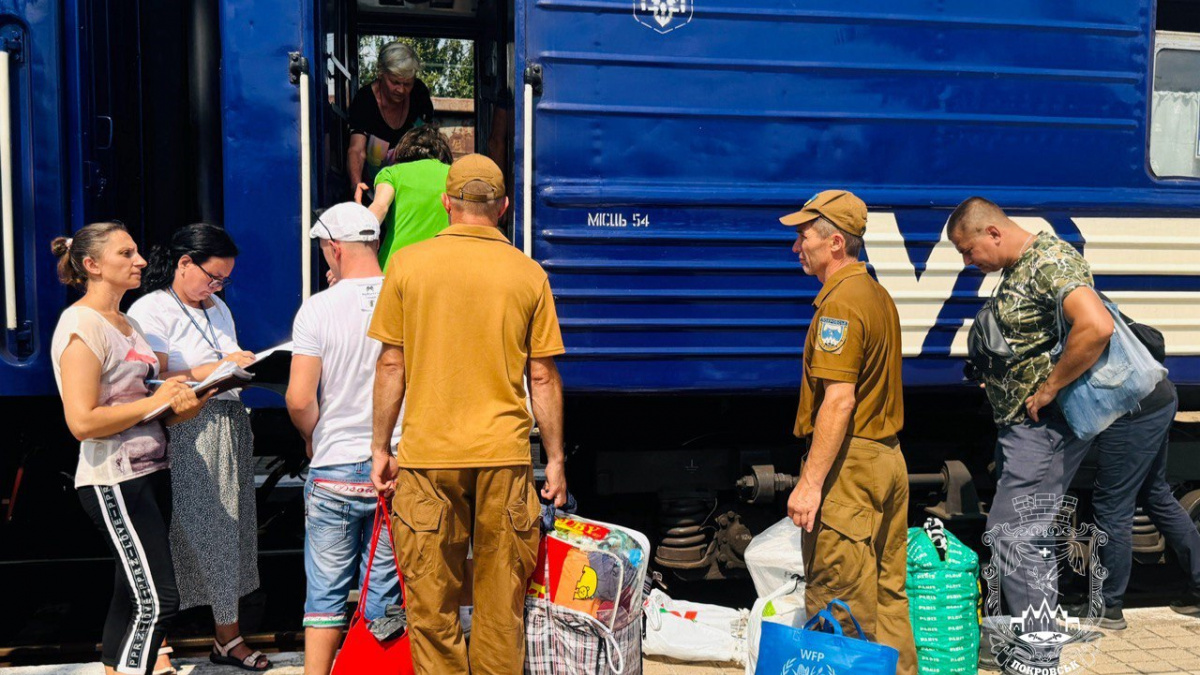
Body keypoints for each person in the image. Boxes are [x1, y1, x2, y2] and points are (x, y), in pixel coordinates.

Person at [368, 154, 568, 674]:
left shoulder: (407, 265)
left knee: (431, 608)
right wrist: (557, 461)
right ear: (503, 207)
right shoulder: (529, 273)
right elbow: (542, 376)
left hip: (427, 459)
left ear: (445, 203)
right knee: (502, 608)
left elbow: (392, 365)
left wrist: (379, 448)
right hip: (504, 457)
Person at [946, 197, 1114, 665]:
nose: (967, 262)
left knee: (1013, 534)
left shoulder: (1050, 262)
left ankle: (1038, 656)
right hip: (1025, 431)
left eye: (968, 249)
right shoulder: (1022, 267)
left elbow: (1096, 326)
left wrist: (1049, 387)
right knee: (1022, 534)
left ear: (993, 233)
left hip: (1043, 428)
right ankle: (1036, 646)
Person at [50, 222, 209, 675]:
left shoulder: (130, 324)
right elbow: (82, 422)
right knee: (159, 597)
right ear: (92, 265)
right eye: (126, 253)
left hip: (150, 470)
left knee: (130, 590)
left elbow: (146, 406)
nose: (140, 261)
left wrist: (188, 400)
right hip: (113, 478)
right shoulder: (81, 325)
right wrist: (157, 401)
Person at [780, 190, 918, 675]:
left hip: (850, 470)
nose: (798, 247)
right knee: (887, 597)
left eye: (804, 237)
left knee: (838, 603)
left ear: (835, 242)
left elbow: (839, 400)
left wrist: (811, 484)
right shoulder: (877, 295)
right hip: (887, 460)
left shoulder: (840, 306)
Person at [127, 224, 269, 672]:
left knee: (231, 529)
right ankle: (161, 641)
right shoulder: (152, 308)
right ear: (185, 263)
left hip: (227, 422)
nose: (217, 286)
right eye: (213, 277)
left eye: (224, 280)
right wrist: (213, 368)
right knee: (180, 533)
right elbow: (152, 379)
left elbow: (223, 356)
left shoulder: (217, 308)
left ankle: (227, 636)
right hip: (187, 426)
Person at [285, 202, 402, 675]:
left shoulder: (317, 308)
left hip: (334, 468)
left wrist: (313, 437)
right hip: (393, 466)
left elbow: (298, 398)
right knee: (384, 599)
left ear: (335, 248)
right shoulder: (407, 296)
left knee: (326, 594)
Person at [1077, 377, 1200, 628]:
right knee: (1155, 494)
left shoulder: (1090, 334)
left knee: (1113, 504)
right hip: (1155, 391)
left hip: (1130, 402)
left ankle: (1108, 605)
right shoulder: (1127, 336)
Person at [356, 125, 454, 269]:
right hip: (441, 270)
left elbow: (380, 207)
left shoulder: (392, 173)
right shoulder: (454, 175)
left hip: (395, 269)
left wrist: (351, 254)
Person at [348, 42, 435, 191]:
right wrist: (357, 187)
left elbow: (430, 143)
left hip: (412, 184)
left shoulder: (419, 94)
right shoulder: (365, 100)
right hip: (375, 185)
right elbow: (357, 150)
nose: (401, 90)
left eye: (407, 84)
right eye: (395, 82)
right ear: (381, 74)